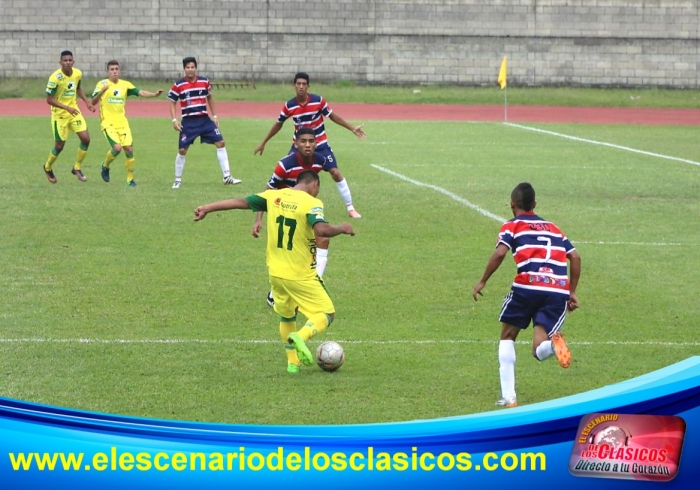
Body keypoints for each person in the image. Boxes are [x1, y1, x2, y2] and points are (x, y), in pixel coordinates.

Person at [194, 170, 355, 373]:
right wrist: (342, 227)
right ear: (314, 185)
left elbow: (240, 202)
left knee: (287, 316)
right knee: (327, 313)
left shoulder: (273, 196)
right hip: (300, 274)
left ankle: (292, 363)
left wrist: (207, 208)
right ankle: (301, 336)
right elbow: (321, 230)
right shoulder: (312, 203)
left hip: (276, 273)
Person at [472, 182, 581, 408]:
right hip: (556, 290)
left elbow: (500, 253)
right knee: (539, 350)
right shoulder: (554, 228)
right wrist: (571, 292)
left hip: (528, 286)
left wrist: (483, 280)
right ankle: (553, 346)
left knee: (508, 336)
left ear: (512, 204)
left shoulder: (511, 226)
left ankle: (509, 397)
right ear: (535, 204)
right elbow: (576, 257)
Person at [254, 72, 365, 218]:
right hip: (298, 146)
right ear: (294, 85)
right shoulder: (289, 105)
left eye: (304, 84)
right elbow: (278, 124)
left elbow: (332, 116)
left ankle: (350, 208)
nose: (301, 87)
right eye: (298, 84)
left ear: (308, 86)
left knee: (335, 172)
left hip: (320, 145)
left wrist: (351, 127)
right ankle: (285, 205)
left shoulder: (318, 101)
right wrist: (264, 142)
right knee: (286, 175)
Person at [253, 127, 329, 307]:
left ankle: (313, 283)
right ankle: (275, 294)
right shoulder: (284, 165)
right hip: (285, 211)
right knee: (294, 253)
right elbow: (268, 190)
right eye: (303, 141)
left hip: (305, 210)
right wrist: (259, 219)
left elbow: (335, 172)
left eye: (311, 141)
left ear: (316, 143)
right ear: (295, 143)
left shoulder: (320, 160)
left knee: (321, 241)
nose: (308, 145)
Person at [167, 57, 241, 189]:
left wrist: (215, 115)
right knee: (182, 150)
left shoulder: (204, 81)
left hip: (204, 120)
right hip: (188, 122)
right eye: (187, 67)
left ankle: (227, 176)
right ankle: (177, 180)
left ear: (196, 68)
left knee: (221, 143)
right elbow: (172, 102)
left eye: (192, 67)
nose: (190, 69)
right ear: (184, 69)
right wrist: (174, 120)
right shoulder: (178, 85)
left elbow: (210, 98)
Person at [91, 60, 164, 187]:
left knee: (129, 150)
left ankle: (130, 180)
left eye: (116, 69)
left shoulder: (125, 85)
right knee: (117, 148)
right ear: (107, 71)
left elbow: (140, 92)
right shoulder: (102, 84)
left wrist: (154, 94)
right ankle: (105, 165)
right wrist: (102, 91)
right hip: (108, 122)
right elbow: (93, 101)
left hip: (122, 122)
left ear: (119, 71)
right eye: (112, 69)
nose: (114, 71)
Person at [43, 50, 95, 183]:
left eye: (70, 60)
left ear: (73, 61)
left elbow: (78, 88)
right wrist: (67, 108)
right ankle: (48, 167)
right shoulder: (55, 78)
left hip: (74, 112)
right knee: (59, 146)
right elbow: (49, 99)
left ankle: (77, 167)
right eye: (65, 60)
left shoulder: (77, 73)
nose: (68, 62)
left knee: (86, 139)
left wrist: (86, 102)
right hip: (60, 115)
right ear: (60, 62)